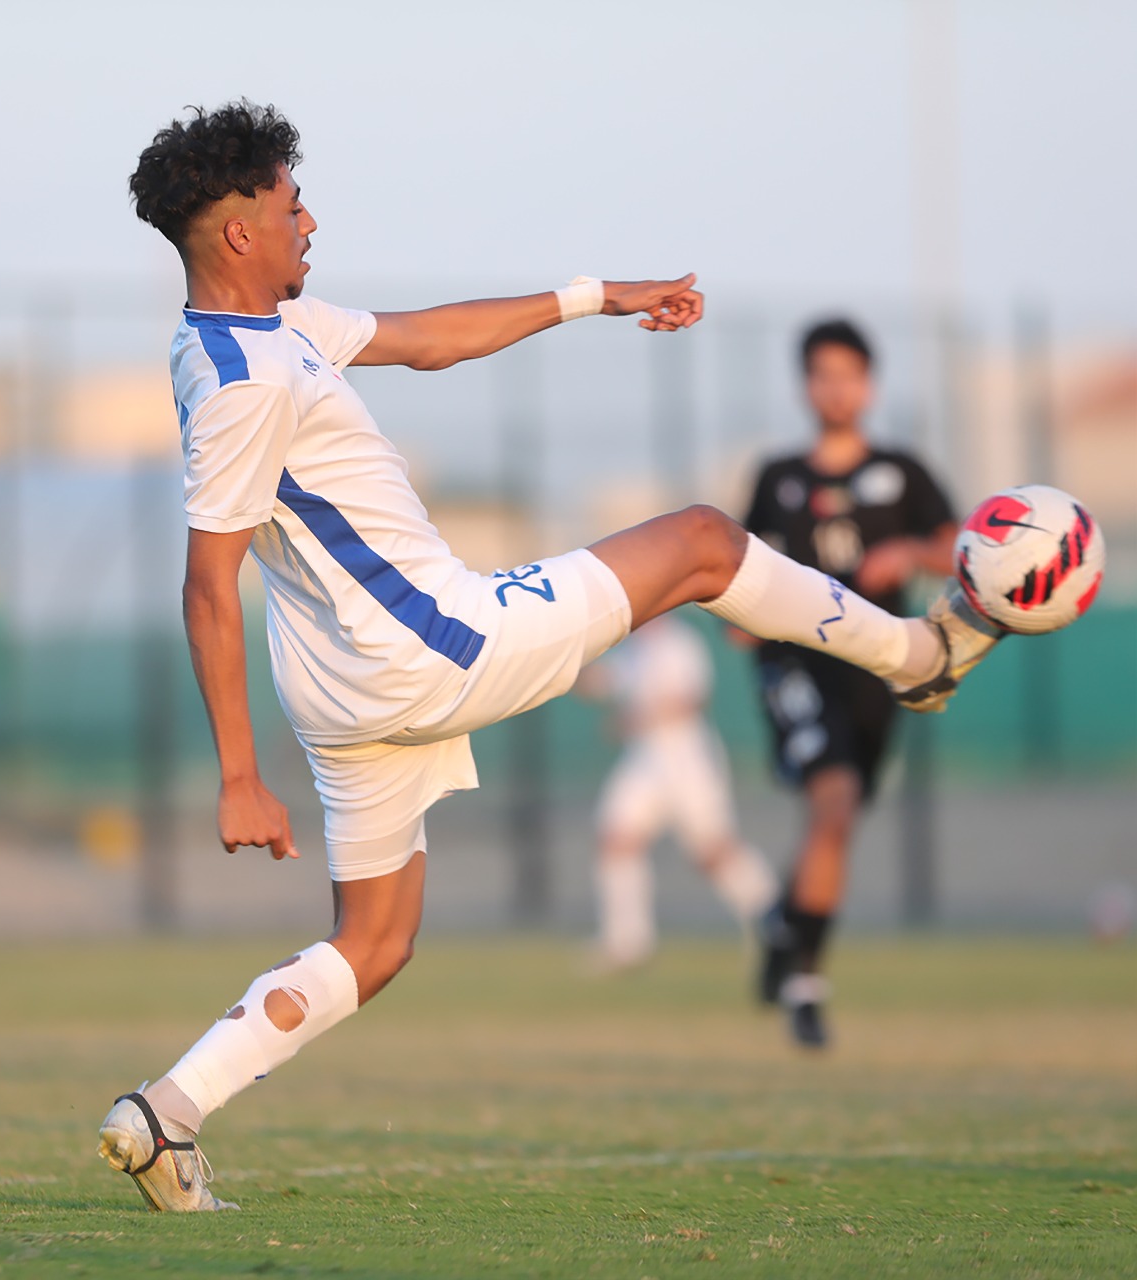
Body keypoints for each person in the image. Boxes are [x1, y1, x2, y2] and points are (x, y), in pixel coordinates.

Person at [97, 101, 1002, 1211]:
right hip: (429, 644)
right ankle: (918, 656)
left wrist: (596, 295)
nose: (310, 222)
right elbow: (207, 582)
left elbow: (432, 338)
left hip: (344, 689)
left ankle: (167, 1112)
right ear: (240, 231)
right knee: (703, 542)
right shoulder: (247, 382)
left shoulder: (242, 335)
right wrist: (238, 775)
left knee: (373, 943)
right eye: (292, 207)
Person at [742, 318, 960, 1049]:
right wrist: (740, 618)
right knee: (832, 803)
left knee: (835, 818)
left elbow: (964, 547)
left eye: (848, 375)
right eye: (822, 375)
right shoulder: (779, 478)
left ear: (869, 385)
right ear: (805, 386)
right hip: (796, 665)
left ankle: (784, 923)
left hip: (876, 669)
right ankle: (806, 987)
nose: (835, 389)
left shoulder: (902, 471)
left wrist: (911, 551)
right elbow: (740, 566)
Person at [581, 614, 776, 970]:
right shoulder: (634, 649)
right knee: (616, 839)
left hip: (686, 757)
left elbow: (690, 699)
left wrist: (638, 719)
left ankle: (773, 920)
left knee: (713, 852)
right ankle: (627, 941)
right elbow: (601, 681)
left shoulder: (680, 643)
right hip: (646, 758)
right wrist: (561, 668)